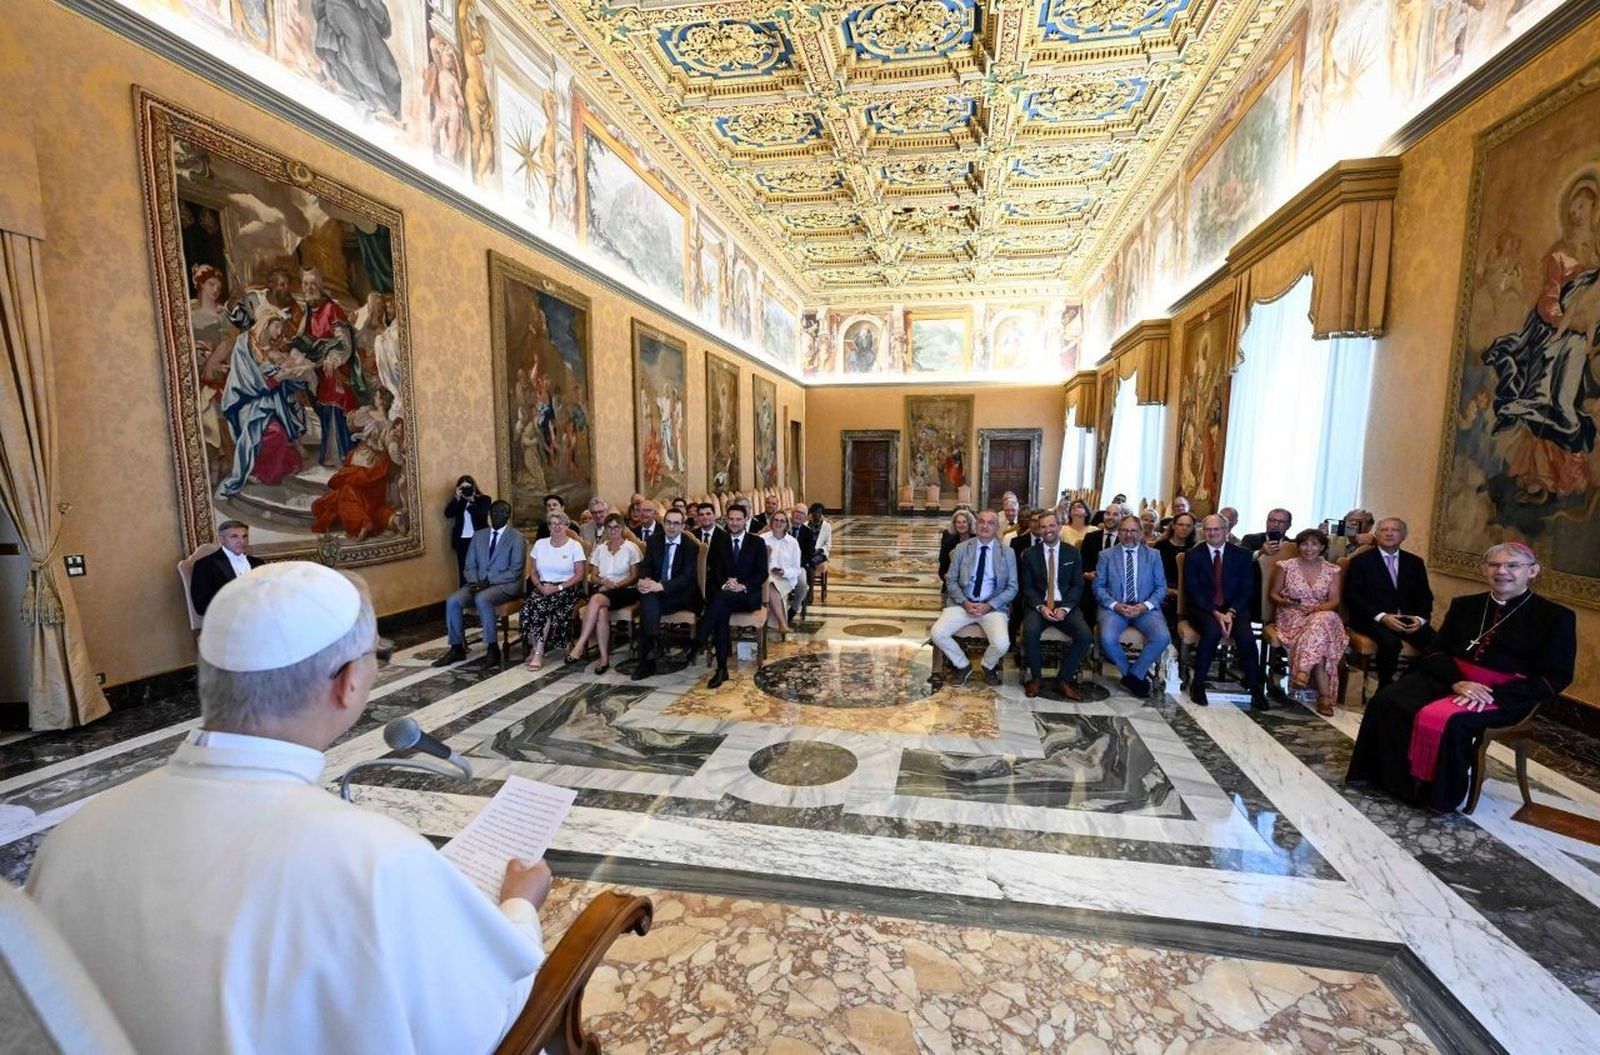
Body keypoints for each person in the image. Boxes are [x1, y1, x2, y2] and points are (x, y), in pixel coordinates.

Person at [27, 562, 552, 1055]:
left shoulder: (73, 836)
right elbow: (474, 1020)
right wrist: (521, 907)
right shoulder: (374, 862)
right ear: (349, 682)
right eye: (378, 656)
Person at [1346, 542, 1576, 813]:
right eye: (1494, 565)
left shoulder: (1556, 617)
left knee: (1454, 723)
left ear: (1533, 571)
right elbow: (1435, 650)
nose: (1502, 571)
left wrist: (1494, 695)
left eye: (1512, 565)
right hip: (1450, 678)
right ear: (1484, 570)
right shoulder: (1466, 605)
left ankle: (1435, 795)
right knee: (1387, 700)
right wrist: (1455, 682)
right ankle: (1387, 780)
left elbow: (1556, 676)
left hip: (1504, 693)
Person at [1184, 515, 1266, 707]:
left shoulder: (1242, 555)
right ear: (1203, 531)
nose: (1212, 533)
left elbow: (1247, 589)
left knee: (1246, 636)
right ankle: (1198, 684)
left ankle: (1255, 687)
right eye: (1208, 529)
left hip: (1235, 609)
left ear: (1226, 530)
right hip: (1204, 609)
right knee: (1212, 631)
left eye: (1217, 529)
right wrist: (1215, 612)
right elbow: (1193, 590)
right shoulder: (1193, 555)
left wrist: (1230, 612)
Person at [1345, 518, 1436, 689]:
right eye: (1384, 530)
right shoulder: (1361, 561)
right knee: (1391, 643)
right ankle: (1384, 687)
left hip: (1406, 618)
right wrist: (1383, 617)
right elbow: (1353, 596)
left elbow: (1425, 595)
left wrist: (1420, 619)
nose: (1388, 533)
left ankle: (1406, 682)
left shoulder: (1415, 562)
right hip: (1371, 618)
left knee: (1437, 643)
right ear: (1377, 534)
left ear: (1404, 536)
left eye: (1394, 530)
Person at [930, 510, 1017, 687]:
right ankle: (963, 665)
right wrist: (964, 602)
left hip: (991, 607)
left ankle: (988, 665)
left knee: (1002, 644)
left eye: (990, 523)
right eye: (981, 522)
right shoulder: (962, 549)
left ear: (996, 527)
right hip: (963, 604)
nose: (985, 526)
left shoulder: (1007, 553)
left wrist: (989, 605)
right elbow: (952, 580)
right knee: (937, 633)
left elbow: (1012, 587)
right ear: (976, 525)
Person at [1269, 529, 1349, 716]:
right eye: (1304, 543)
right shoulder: (1286, 566)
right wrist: (1285, 602)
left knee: (1322, 620)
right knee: (1320, 640)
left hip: (1321, 613)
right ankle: (1324, 697)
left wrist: (1318, 609)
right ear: (1298, 546)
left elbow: (1334, 600)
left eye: (1314, 544)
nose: (1309, 548)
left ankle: (1303, 671)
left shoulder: (1332, 570)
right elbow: (1273, 594)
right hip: (1292, 615)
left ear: (1322, 547)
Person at [436, 501, 525, 668]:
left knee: (483, 598)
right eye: (496, 512)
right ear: (489, 514)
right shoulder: (479, 535)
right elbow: (469, 565)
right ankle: (457, 648)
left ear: (509, 515)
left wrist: (488, 582)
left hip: (505, 586)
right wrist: (475, 582)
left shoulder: (516, 538)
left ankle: (492, 648)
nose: (500, 515)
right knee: (453, 600)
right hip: (477, 584)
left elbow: (515, 570)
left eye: (504, 512)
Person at [1093, 515, 1171, 699]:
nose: (1129, 535)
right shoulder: (1106, 556)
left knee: (1162, 637)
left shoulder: (1153, 555)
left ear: (1141, 532)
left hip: (1144, 608)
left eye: (1133, 531)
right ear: (1118, 533)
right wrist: (1115, 605)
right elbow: (1098, 587)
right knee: (1107, 636)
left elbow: (1161, 587)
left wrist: (1144, 606)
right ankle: (1131, 675)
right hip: (1114, 607)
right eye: (1124, 530)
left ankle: (1134, 675)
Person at [1019, 512, 1094, 699]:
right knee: (1030, 631)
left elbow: (1078, 585)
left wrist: (1065, 608)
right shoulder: (1029, 555)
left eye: (1051, 526)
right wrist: (1040, 607)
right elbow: (1027, 587)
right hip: (1039, 605)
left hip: (1065, 605)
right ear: (1039, 530)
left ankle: (1064, 679)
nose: (1048, 530)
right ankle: (1036, 678)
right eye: (1043, 527)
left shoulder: (1073, 552)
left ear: (1059, 527)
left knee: (1085, 636)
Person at [694, 504, 769, 688]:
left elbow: (762, 574)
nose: (734, 523)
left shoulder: (756, 542)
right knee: (721, 610)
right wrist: (725, 583)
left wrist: (742, 585)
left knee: (719, 601)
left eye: (738, 519)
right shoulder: (720, 541)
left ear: (745, 520)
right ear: (726, 520)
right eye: (731, 519)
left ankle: (699, 640)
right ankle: (721, 668)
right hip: (726, 594)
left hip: (747, 596)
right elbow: (715, 570)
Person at [565, 514, 641, 673]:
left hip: (626, 590)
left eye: (616, 527)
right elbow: (593, 575)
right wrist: (603, 582)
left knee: (597, 599)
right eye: (609, 527)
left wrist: (618, 584)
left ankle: (580, 644)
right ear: (605, 529)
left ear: (622, 529)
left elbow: (635, 576)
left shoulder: (631, 548)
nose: (613, 530)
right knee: (601, 611)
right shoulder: (600, 549)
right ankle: (604, 659)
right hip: (604, 590)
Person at [632, 508, 700, 679]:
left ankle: (646, 661)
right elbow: (646, 566)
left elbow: (688, 577)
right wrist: (643, 580)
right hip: (656, 592)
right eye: (668, 522)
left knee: (648, 607)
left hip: (680, 594)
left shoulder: (690, 546)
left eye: (676, 523)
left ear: (683, 526)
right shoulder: (654, 541)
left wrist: (661, 586)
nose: (671, 527)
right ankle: (655, 642)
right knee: (648, 598)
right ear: (663, 523)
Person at [519, 512, 586, 670]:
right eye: (552, 523)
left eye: (560, 523)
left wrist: (558, 587)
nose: (556, 526)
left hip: (567, 587)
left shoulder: (574, 546)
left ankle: (538, 652)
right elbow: (533, 572)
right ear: (548, 526)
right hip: (543, 586)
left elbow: (580, 574)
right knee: (529, 607)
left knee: (544, 607)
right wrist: (540, 586)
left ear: (566, 526)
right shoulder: (540, 544)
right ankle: (536, 648)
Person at [189, 520, 263, 616]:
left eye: (244, 536)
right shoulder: (205, 565)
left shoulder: (258, 563)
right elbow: (201, 607)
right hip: (228, 622)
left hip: (262, 617)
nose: (241, 541)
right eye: (234, 536)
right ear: (221, 539)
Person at [1154, 511, 1198, 638]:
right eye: (1181, 524)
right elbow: (1154, 574)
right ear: (1173, 526)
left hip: (1186, 591)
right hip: (1164, 589)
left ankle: (1182, 649)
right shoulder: (1160, 546)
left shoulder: (1194, 548)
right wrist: (1168, 590)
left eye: (1188, 526)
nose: (1184, 528)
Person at [759, 510, 805, 629]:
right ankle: (782, 622)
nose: (778, 523)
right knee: (769, 582)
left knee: (771, 584)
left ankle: (780, 622)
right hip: (765, 576)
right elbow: (756, 561)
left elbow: (796, 568)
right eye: (776, 520)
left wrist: (784, 572)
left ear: (787, 524)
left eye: (782, 521)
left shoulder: (793, 543)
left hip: (786, 578)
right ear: (771, 522)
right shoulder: (762, 539)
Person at [444, 476, 492, 586]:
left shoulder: (484, 499)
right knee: (464, 570)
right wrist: (456, 498)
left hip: (480, 539)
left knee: (482, 567)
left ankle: (483, 595)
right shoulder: (459, 502)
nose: (466, 490)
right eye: (463, 487)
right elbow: (448, 514)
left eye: (468, 487)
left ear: (474, 487)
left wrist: (471, 500)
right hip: (462, 541)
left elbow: (481, 513)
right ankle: (465, 596)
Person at [938, 507, 976, 580]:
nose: (961, 525)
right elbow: (942, 571)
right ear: (955, 525)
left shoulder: (978, 541)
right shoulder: (948, 543)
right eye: (958, 522)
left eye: (964, 522)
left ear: (969, 524)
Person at [805, 503, 832, 572]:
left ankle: (810, 581)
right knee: (806, 561)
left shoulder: (827, 526)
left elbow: (828, 544)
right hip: (807, 552)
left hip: (820, 553)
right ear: (811, 513)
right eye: (815, 512)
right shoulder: (805, 525)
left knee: (811, 563)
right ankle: (809, 580)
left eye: (819, 512)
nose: (818, 514)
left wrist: (820, 550)